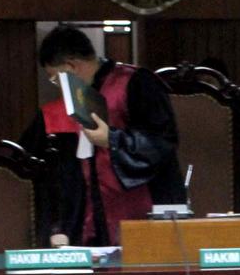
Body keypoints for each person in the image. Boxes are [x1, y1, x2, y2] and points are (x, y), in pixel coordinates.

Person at [19, 25, 185, 246]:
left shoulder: (137, 83)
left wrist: (112, 139)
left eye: (55, 79)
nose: (58, 87)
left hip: (142, 212)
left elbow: (163, 142)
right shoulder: (73, 102)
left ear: (70, 67)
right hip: (93, 218)